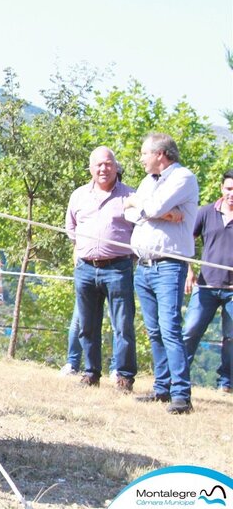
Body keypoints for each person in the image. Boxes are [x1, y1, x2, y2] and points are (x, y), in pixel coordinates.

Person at [124, 133, 199, 414]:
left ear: (160, 154)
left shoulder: (183, 178)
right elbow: (128, 212)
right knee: (154, 330)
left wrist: (146, 206)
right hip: (143, 265)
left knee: (170, 328)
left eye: (145, 153)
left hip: (168, 265)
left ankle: (182, 393)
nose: (141, 159)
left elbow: (149, 207)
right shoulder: (149, 182)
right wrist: (163, 213)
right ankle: (162, 387)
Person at [65, 146, 137, 392]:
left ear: (116, 166)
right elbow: (70, 228)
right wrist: (84, 250)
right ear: (91, 168)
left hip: (118, 268)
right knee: (87, 325)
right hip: (85, 268)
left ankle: (124, 376)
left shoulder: (130, 196)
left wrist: (129, 257)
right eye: (98, 165)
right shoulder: (78, 195)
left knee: (123, 324)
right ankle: (90, 372)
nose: (103, 169)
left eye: (108, 164)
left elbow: (140, 231)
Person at [182, 169, 233, 393]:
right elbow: (185, 241)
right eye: (229, 188)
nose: (232, 194)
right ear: (222, 188)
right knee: (190, 331)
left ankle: (226, 384)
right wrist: (188, 270)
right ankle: (178, 377)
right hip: (205, 286)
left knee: (231, 339)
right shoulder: (205, 213)